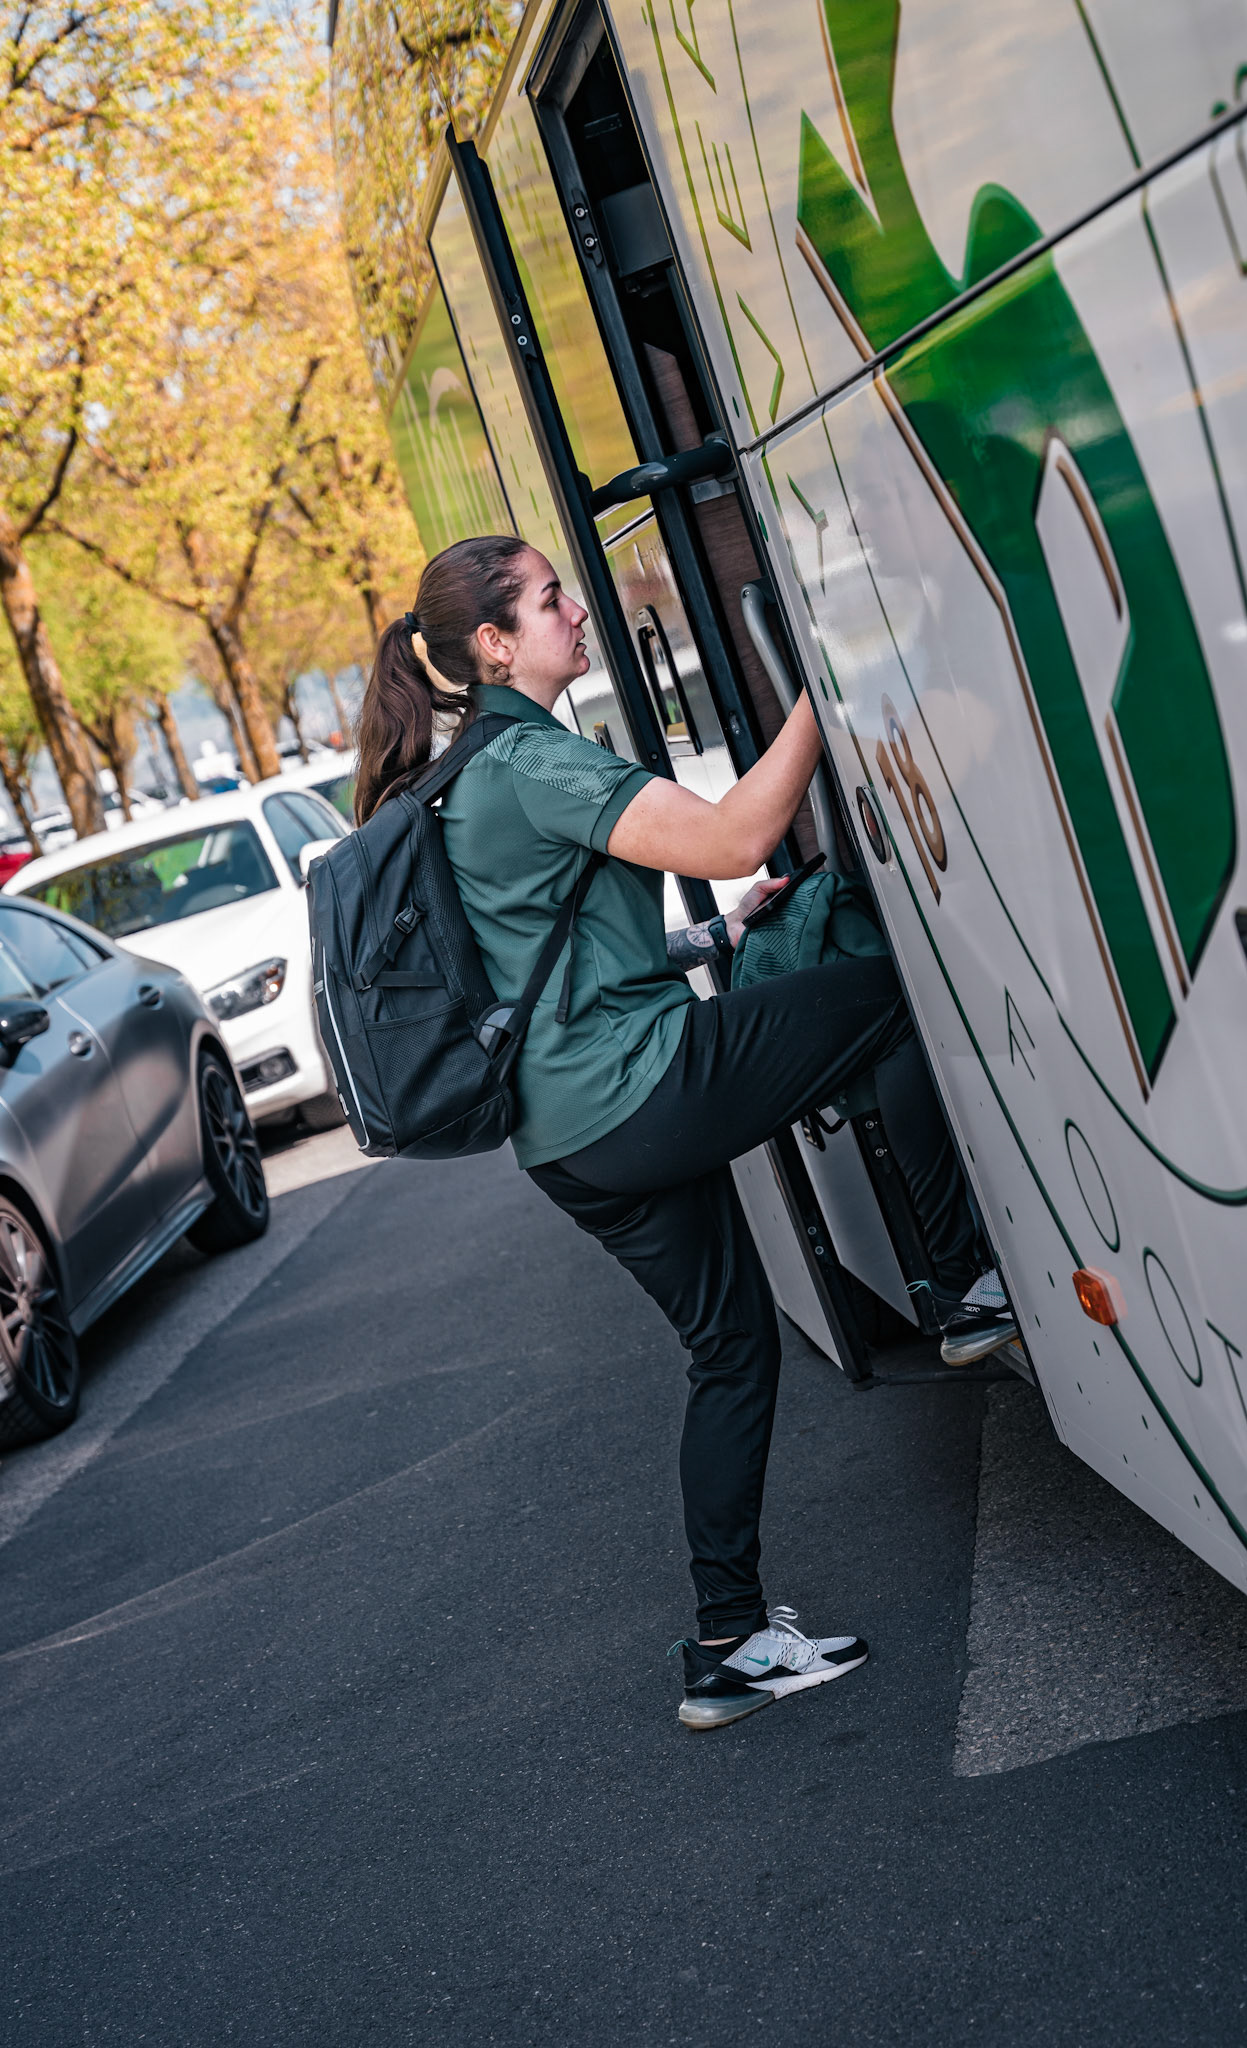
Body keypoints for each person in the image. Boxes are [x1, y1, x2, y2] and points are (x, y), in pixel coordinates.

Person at [354, 537, 1017, 1731]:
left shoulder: (467, 773)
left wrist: (707, 943)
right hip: (638, 1087)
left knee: (731, 1350)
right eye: (552, 599)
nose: (576, 611)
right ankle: (963, 1284)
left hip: (569, 1141)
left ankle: (727, 1641)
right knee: (885, 990)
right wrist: (820, 679)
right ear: (495, 644)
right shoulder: (529, 761)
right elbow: (733, 839)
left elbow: (543, 950)